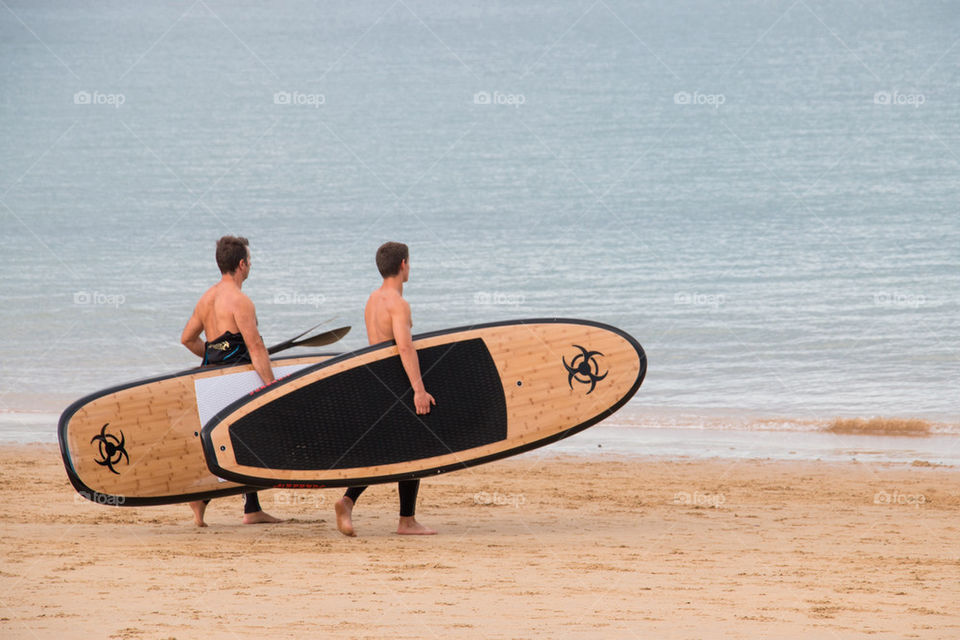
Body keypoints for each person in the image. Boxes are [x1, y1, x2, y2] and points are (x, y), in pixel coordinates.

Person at [334, 242, 437, 536]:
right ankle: (406, 521)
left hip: (377, 379)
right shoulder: (398, 304)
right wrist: (418, 389)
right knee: (414, 448)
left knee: (385, 449)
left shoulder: (373, 299)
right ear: (403, 264)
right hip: (397, 381)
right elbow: (404, 347)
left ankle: (349, 501)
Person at [180, 235, 282, 527]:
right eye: (249, 261)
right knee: (249, 438)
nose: (250, 266)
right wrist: (272, 387)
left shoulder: (207, 298)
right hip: (236, 380)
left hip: (210, 379)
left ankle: (203, 502)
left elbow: (187, 339)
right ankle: (251, 509)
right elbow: (256, 348)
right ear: (241, 264)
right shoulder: (240, 301)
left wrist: (214, 354)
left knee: (220, 440)